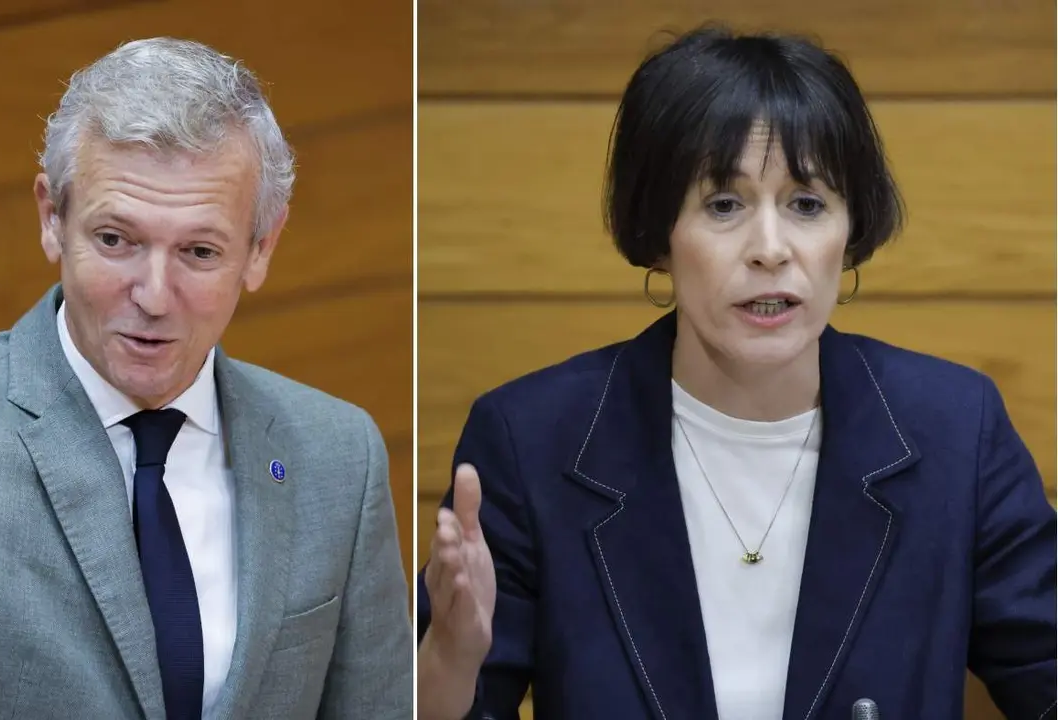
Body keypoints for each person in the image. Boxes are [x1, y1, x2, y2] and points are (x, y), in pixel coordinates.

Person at [416, 24, 1057, 720]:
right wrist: (448, 659)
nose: (771, 250)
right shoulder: (530, 440)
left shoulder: (955, 430)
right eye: (725, 205)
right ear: (659, 235)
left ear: (849, 234)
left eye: (807, 205)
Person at [0, 37, 412, 719]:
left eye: (200, 251)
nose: (155, 294)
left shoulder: (339, 454)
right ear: (53, 218)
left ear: (262, 250)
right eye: (116, 240)